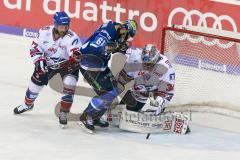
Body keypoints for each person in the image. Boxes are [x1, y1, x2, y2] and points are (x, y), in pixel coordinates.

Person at [13, 11, 82, 127]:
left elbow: (75, 51)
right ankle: (27, 104)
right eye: (61, 26)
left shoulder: (72, 37)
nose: (64, 29)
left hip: (66, 65)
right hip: (48, 63)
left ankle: (64, 113)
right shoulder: (44, 32)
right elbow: (35, 47)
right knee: (35, 84)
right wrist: (39, 59)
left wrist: (76, 56)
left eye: (66, 26)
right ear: (55, 25)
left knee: (70, 84)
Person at [78, 19, 138, 133]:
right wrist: (109, 47)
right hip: (89, 65)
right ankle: (86, 117)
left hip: (101, 66)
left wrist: (118, 48)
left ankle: (95, 117)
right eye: (128, 35)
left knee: (115, 90)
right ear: (124, 30)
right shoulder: (108, 32)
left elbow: (114, 46)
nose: (127, 38)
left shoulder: (117, 29)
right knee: (108, 94)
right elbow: (94, 48)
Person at [117, 44, 175, 115]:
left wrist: (158, 105)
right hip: (137, 91)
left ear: (156, 59)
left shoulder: (166, 68)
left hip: (155, 91)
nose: (146, 66)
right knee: (120, 113)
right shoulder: (134, 57)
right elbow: (122, 79)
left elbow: (168, 93)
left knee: (153, 111)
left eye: (150, 64)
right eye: (145, 63)